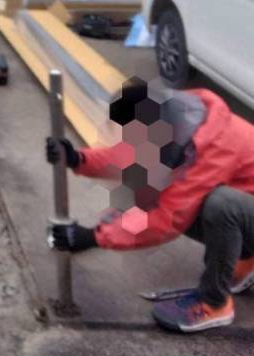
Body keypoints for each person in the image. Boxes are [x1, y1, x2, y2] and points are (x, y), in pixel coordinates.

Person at [46, 77, 254, 332]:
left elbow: (166, 220)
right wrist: (78, 159)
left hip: (242, 207)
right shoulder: (174, 115)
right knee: (155, 186)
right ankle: (245, 257)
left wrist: (94, 237)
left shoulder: (211, 149)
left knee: (220, 205)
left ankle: (215, 302)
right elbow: (131, 155)